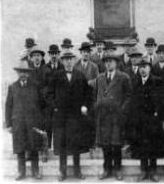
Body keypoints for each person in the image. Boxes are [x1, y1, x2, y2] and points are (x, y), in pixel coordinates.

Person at [46, 52, 94, 181]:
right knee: (62, 145)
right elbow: (48, 94)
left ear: (74, 61)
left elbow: (88, 94)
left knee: (76, 145)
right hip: (61, 117)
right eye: (66, 59)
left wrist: (85, 105)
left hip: (76, 116)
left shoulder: (80, 75)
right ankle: (63, 172)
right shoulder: (56, 76)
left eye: (70, 59)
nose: (68, 62)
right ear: (63, 61)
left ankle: (77, 171)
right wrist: (55, 106)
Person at [95, 50, 132, 181]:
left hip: (117, 116)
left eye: (111, 61)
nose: (108, 64)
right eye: (106, 61)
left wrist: (122, 110)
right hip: (103, 116)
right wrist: (97, 107)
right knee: (105, 144)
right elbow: (95, 95)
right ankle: (107, 169)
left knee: (116, 144)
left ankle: (117, 169)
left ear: (116, 63)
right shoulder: (99, 78)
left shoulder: (123, 77)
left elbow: (128, 96)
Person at [128, 59, 164, 182]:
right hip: (140, 121)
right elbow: (132, 101)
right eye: (140, 67)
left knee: (153, 146)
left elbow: (163, 101)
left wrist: (158, 114)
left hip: (153, 120)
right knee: (142, 147)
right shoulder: (135, 82)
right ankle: (144, 171)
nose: (142, 69)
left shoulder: (157, 81)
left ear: (150, 68)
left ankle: (153, 171)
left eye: (145, 66)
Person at [5, 60, 45, 180]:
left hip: (33, 122)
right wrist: (9, 124)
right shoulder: (12, 87)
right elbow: (8, 106)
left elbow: (42, 104)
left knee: (34, 147)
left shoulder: (35, 86)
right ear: (17, 73)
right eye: (20, 72)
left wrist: (40, 121)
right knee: (20, 148)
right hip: (18, 122)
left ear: (28, 73)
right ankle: (21, 172)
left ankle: (35, 171)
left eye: (25, 72)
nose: (23, 74)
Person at [42, 44, 64, 148]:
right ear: (49, 55)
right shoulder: (44, 68)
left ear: (59, 54)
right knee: (48, 125)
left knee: (59, 125)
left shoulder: (62, 67)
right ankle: (47, 148)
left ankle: (58, 148)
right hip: (48, 103)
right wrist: (49, 101)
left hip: (60, 102)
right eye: (52, 54)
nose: (54, 56)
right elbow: (43, 87)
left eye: (56, 54)